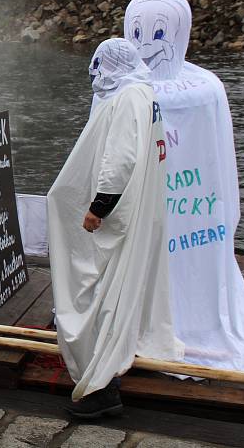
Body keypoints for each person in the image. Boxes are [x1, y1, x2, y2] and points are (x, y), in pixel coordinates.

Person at [118, 0, 244, 373]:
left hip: (187, 216)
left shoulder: (202, 89)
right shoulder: (131, 86)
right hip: (165, 213)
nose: (147, 44)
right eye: (137, 33)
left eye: (160, 34)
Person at [48, 38, 185, 418]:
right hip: (141, 213)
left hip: (119, 218)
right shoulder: (145, 93)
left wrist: (98, 207)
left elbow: (121, 158)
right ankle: (109, 371)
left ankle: (100, 384)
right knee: (119, 294)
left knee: (101, 294)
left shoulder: (127, 99)